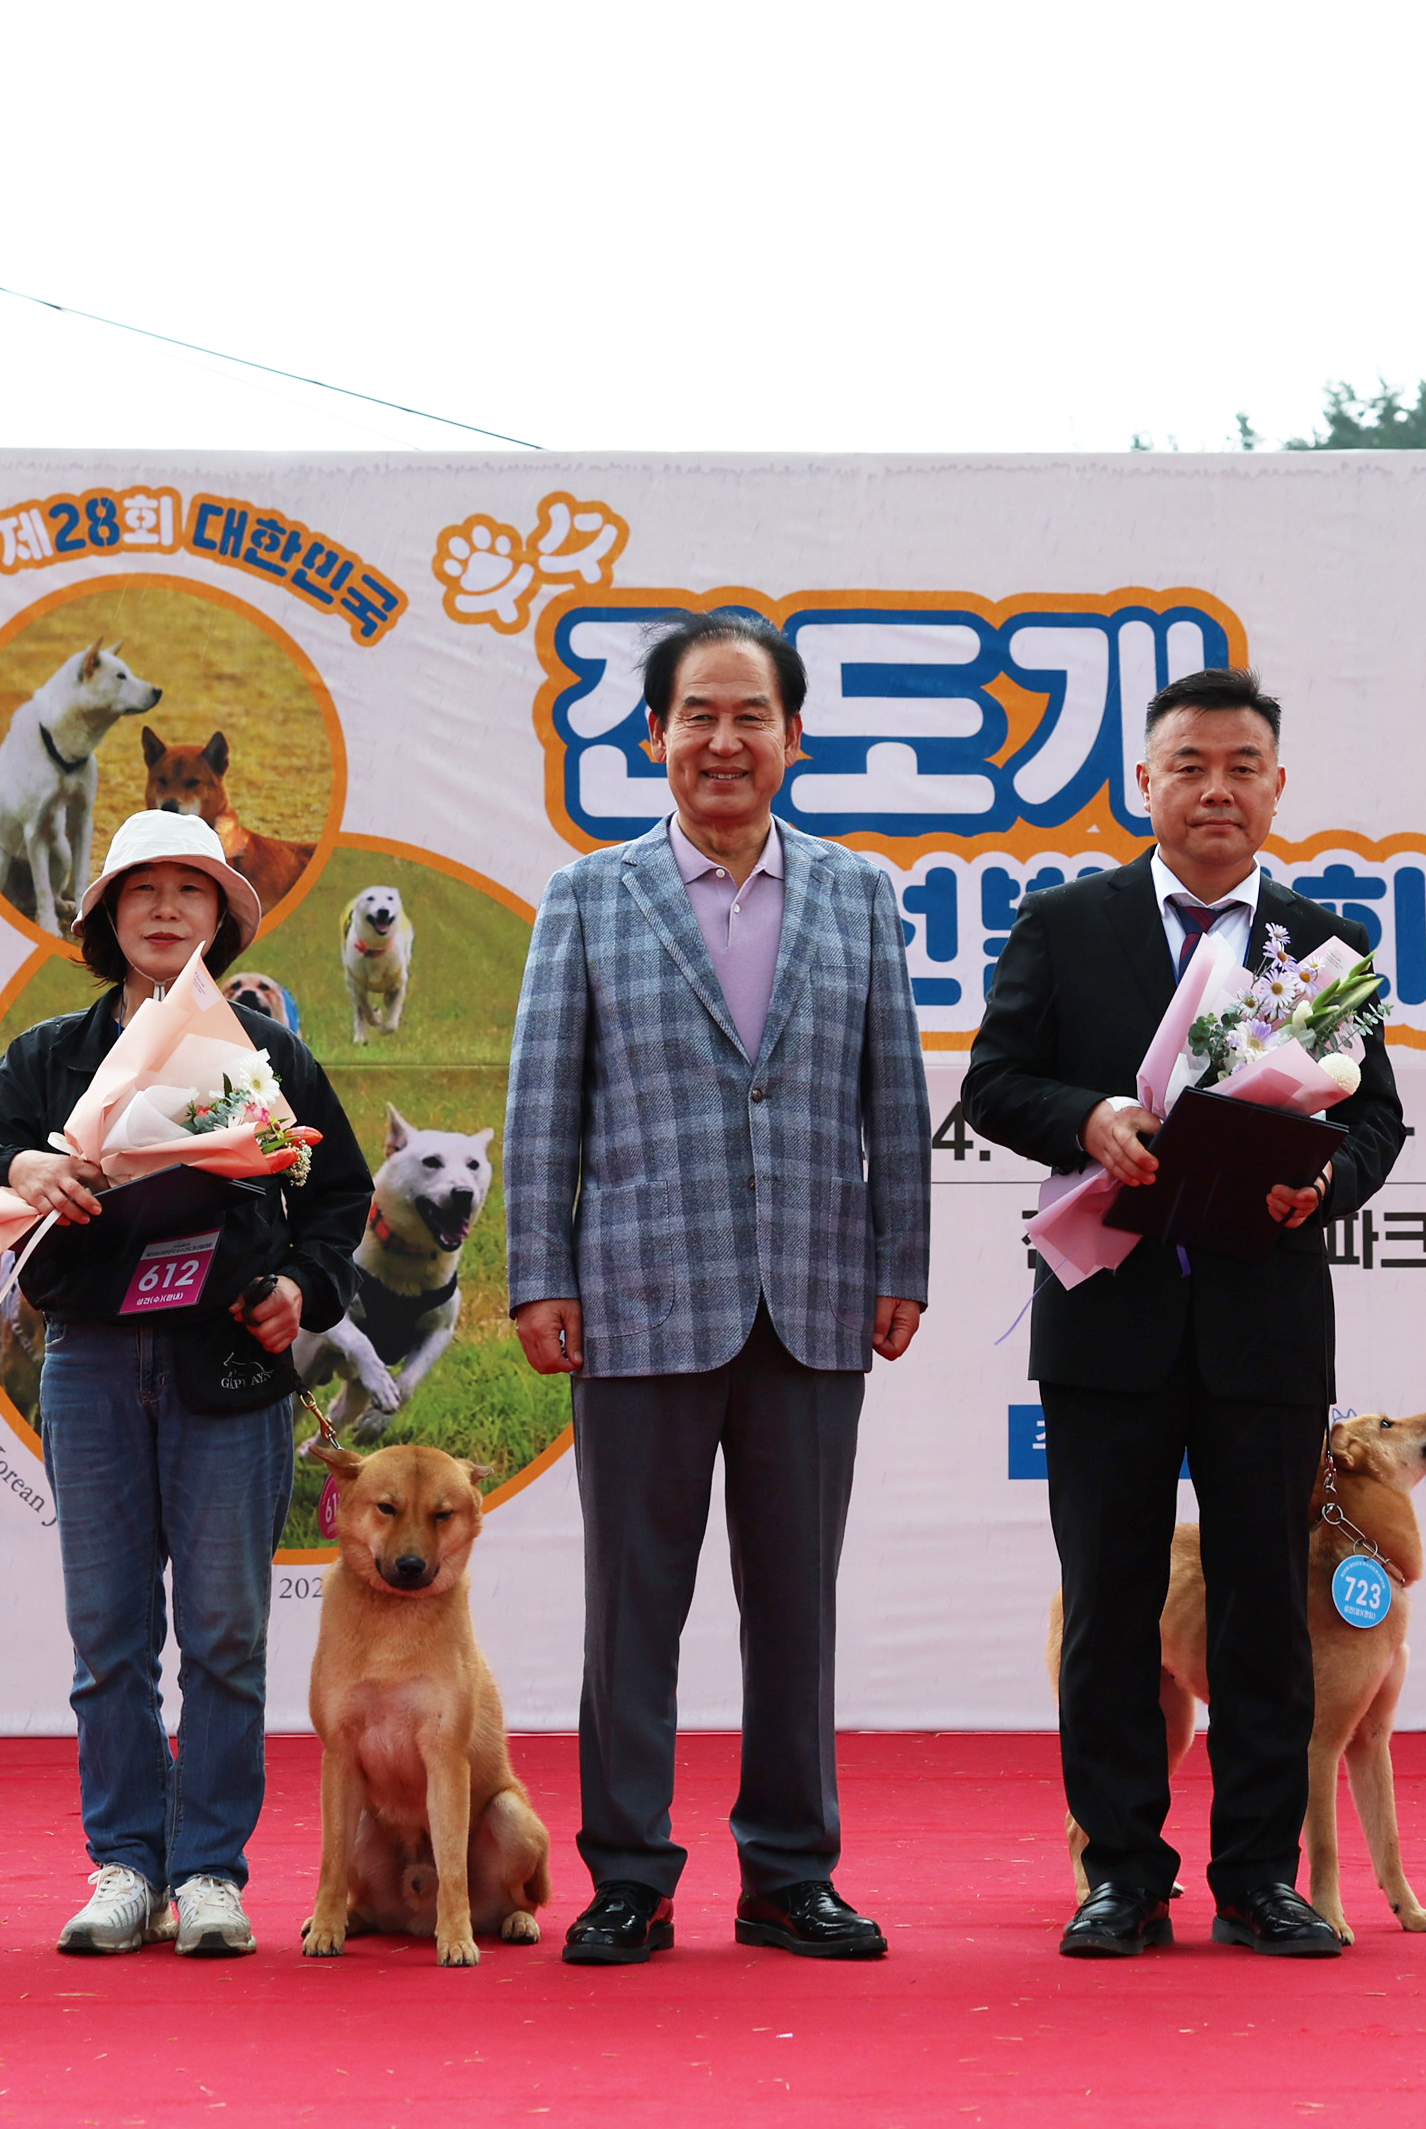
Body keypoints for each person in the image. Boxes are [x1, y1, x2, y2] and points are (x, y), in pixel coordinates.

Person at [504, 609, 932, 1966]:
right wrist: (536, 1272)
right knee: (632, 1606)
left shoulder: (857, 891)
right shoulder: (589, 893)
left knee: (793, 1606)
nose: (725, 741)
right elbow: (541, 1101)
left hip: (813, 1294)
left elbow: (893, 1089)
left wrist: (902, 1263)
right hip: (634, 1295)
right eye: (700, 715)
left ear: (795, 738)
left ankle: (789, 1872)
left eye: (752, 716)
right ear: (654, 737)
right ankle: (627, 1871)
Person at [960, 666, 1406, 1960]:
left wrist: (1326, 1182)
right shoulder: (1067, 923)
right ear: (1143, 783)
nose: (1217, 787)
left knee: (1265, 1601)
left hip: (1263, 1319)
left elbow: (1373, 1115)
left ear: (1277, 786)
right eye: (1190, 764)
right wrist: (1086, 1117)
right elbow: (995, 1082)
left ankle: (1260, 1875)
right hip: (1109, 1310)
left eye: (1242, 766)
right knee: (1108, 1602)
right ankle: (1121, 1873)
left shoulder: (1324, 942)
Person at [0, 809, 366, 1958]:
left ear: (221, 916)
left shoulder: (267, 1051)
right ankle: (125, 1862)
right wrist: (28, 1166)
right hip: (90, 1362)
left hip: (226, 1361)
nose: (165, 907)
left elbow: (336, 1196)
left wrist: (303, 1295)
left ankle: (211, 1868)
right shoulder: (46, 1058)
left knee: (225, 1631)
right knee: (109, 1633)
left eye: (190, 888)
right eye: (141, 889)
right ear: (105, 918)